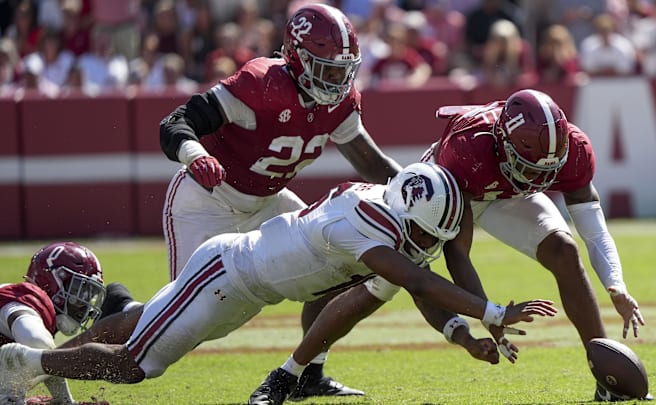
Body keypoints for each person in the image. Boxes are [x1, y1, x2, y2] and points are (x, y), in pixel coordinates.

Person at [0, 163, 558, 405]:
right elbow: (418, 278)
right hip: (226, 275)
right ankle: (26, 365)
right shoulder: (362, 222)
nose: (423, 240)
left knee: (143, 331)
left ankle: (38, 372)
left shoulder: (392, 215)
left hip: (244, 287)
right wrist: (494, 312)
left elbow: (413, 289)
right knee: (134, 366)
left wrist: (465, 333)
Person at [250, 89, 650, 403]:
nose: (537, 177)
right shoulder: (468, 149)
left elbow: (591, 226)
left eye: (546, 170)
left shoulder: (570, 148)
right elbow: (457, 255)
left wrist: (616, 284)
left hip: (501, 191)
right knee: (377, 282)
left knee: (565, 250)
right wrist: (489, 318)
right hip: (455, 194)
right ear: (504, 145)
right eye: (529, 167)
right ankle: (303, 369)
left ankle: (606, 373)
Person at [97, 3, 404, 400]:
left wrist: (413, 187)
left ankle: (310, 373)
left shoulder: (339, 100)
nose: (336, 79)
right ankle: (114, 315)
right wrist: (196, 155)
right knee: (183, 325)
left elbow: (369, 160)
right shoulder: (260, 83)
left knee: (336, 259)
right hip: (208, 199)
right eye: (326, 68)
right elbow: (175, 122)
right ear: (296, 57)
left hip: (268, 202)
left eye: (343, 69)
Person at [0, 242, 106, 405]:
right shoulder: (26, 301)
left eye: (90, 294)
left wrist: (65, 401)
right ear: (51, 283)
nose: (86, 304)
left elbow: (46, 359)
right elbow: (36, 342)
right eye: (81, 290)